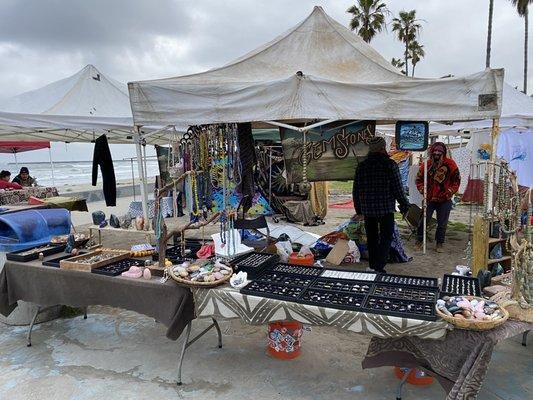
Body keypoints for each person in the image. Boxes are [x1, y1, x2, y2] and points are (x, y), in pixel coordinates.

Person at [353, 137, 410, 273]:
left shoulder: (362, 166)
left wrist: (359, 209)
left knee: (372, 238)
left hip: (368, 209)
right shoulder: (390, 165)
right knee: (386, 237)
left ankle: (373, 265)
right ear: (382, 148)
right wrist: (404, 204)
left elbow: (356, 190)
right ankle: (379, 266)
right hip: (385, 208)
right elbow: (398, 188)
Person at [415, 142, 461, 253]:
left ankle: (439, 243)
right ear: (432, 153)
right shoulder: (426, 165)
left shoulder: (451, 164)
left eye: (439, 152)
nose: (436, 154)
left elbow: (457, 180)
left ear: (443, 153)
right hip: (429, 198)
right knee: (423, 220)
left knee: (442, 223)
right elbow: (418, 180)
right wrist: (422, 190)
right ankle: (419, 241)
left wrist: (450, 191)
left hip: (445, 199)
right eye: (435, 152)